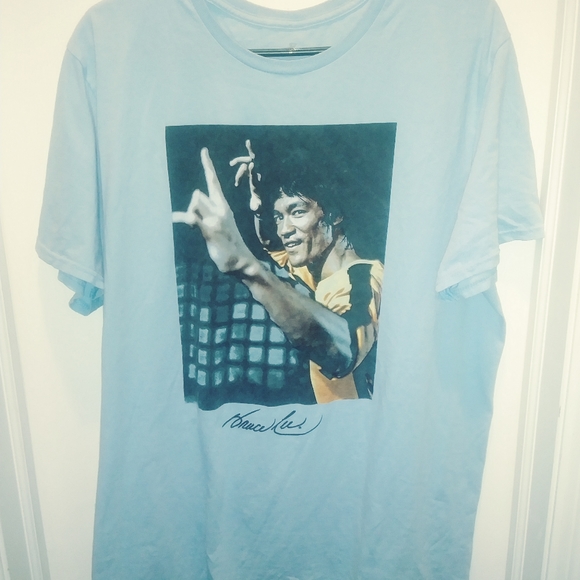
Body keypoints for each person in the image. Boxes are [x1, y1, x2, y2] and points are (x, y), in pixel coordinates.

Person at [172, 142, 383, 403]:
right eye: (278, 217)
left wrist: (244, 265)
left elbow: (344, 351)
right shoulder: (311, 269)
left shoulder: (363, 278)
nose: (284, 230)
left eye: (297, 212)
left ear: (335, 214)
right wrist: (258, 202)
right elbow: (270, 244)